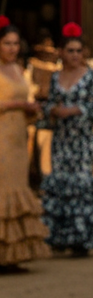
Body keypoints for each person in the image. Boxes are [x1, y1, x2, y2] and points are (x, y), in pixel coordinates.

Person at [38, 23, 93, 257]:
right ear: (61, 52)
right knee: (60, 182)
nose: (74, 55)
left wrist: (77, 110)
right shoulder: (55, 78)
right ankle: (60, 237)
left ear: (84, 53)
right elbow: (49, 102)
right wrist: (53, 110)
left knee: (80, 183)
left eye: (78, 51)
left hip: (82, 139)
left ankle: (81, 238)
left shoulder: (91, 77)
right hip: (61, 138)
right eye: (69, 51)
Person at [0, 18, 49, 272]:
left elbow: (24, 101)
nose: (12, 48)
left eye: (16, 43)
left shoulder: (18, 69)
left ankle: (13, 254)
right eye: (7, 43)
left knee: (18, 188)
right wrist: (20, 105)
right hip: (1, 140)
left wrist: (31, 110)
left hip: (19, 137)